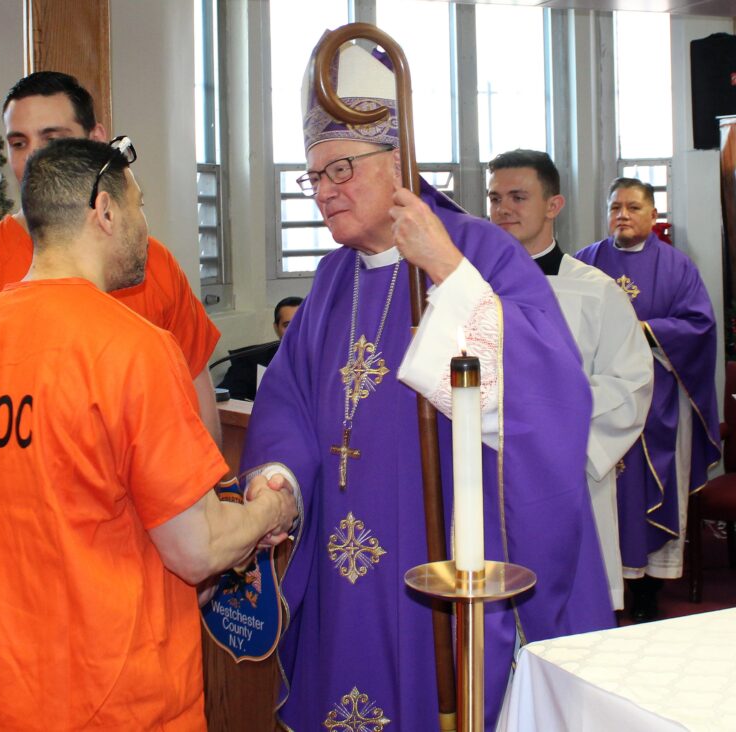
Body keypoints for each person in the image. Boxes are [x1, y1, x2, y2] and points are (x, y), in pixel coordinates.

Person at [240, 34, 614, 730]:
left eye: (342, 168)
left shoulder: (477, 250)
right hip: (343, 570)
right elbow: (287, 399)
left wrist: (448, 276)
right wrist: (278, 482)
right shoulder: (331, 280)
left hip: (436, 567)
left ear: (400, 163)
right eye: (313, 176)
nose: (325, 191)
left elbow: (554, 398)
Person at [0, 137, 297, 729]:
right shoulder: (130, 348)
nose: (145, 224)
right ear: (105, 211)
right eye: (138, 207)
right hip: (106, 696)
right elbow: (199, 550)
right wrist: (273, 508)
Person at [0, 71, 223, 670]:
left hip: (130, 578)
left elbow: (198, 398)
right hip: (1, 587)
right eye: (17, 142)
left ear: (96, 140)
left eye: (52, 137)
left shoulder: (149, 265)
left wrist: (207, 530)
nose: (32, 157)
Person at [487, 149, 654, 611]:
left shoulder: (596, 290)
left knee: (568, 621)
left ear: (553, 206)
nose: (503, 209)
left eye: (518, 197)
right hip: (484, 480)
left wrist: (548, 421)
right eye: (495, 197)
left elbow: (631, 385)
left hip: (567, 477)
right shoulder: (468, 289)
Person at [575, 178, 720, 621]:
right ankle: (598, 584)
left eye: (634, 207)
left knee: (652, 492)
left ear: (653, 216)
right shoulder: (585, 264)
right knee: (602, 493)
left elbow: (699, 326)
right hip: (600, 402)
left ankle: (648, 593)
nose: (623, 214)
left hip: (659, 406)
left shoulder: (678, 268)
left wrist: (642, 331)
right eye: (615, 206)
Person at [217, 295, 303, 400]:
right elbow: (226, 398)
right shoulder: (251, 361)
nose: (294, 331)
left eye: (301, 324)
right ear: (276, 328)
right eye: (287, 325)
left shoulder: (326, 361)